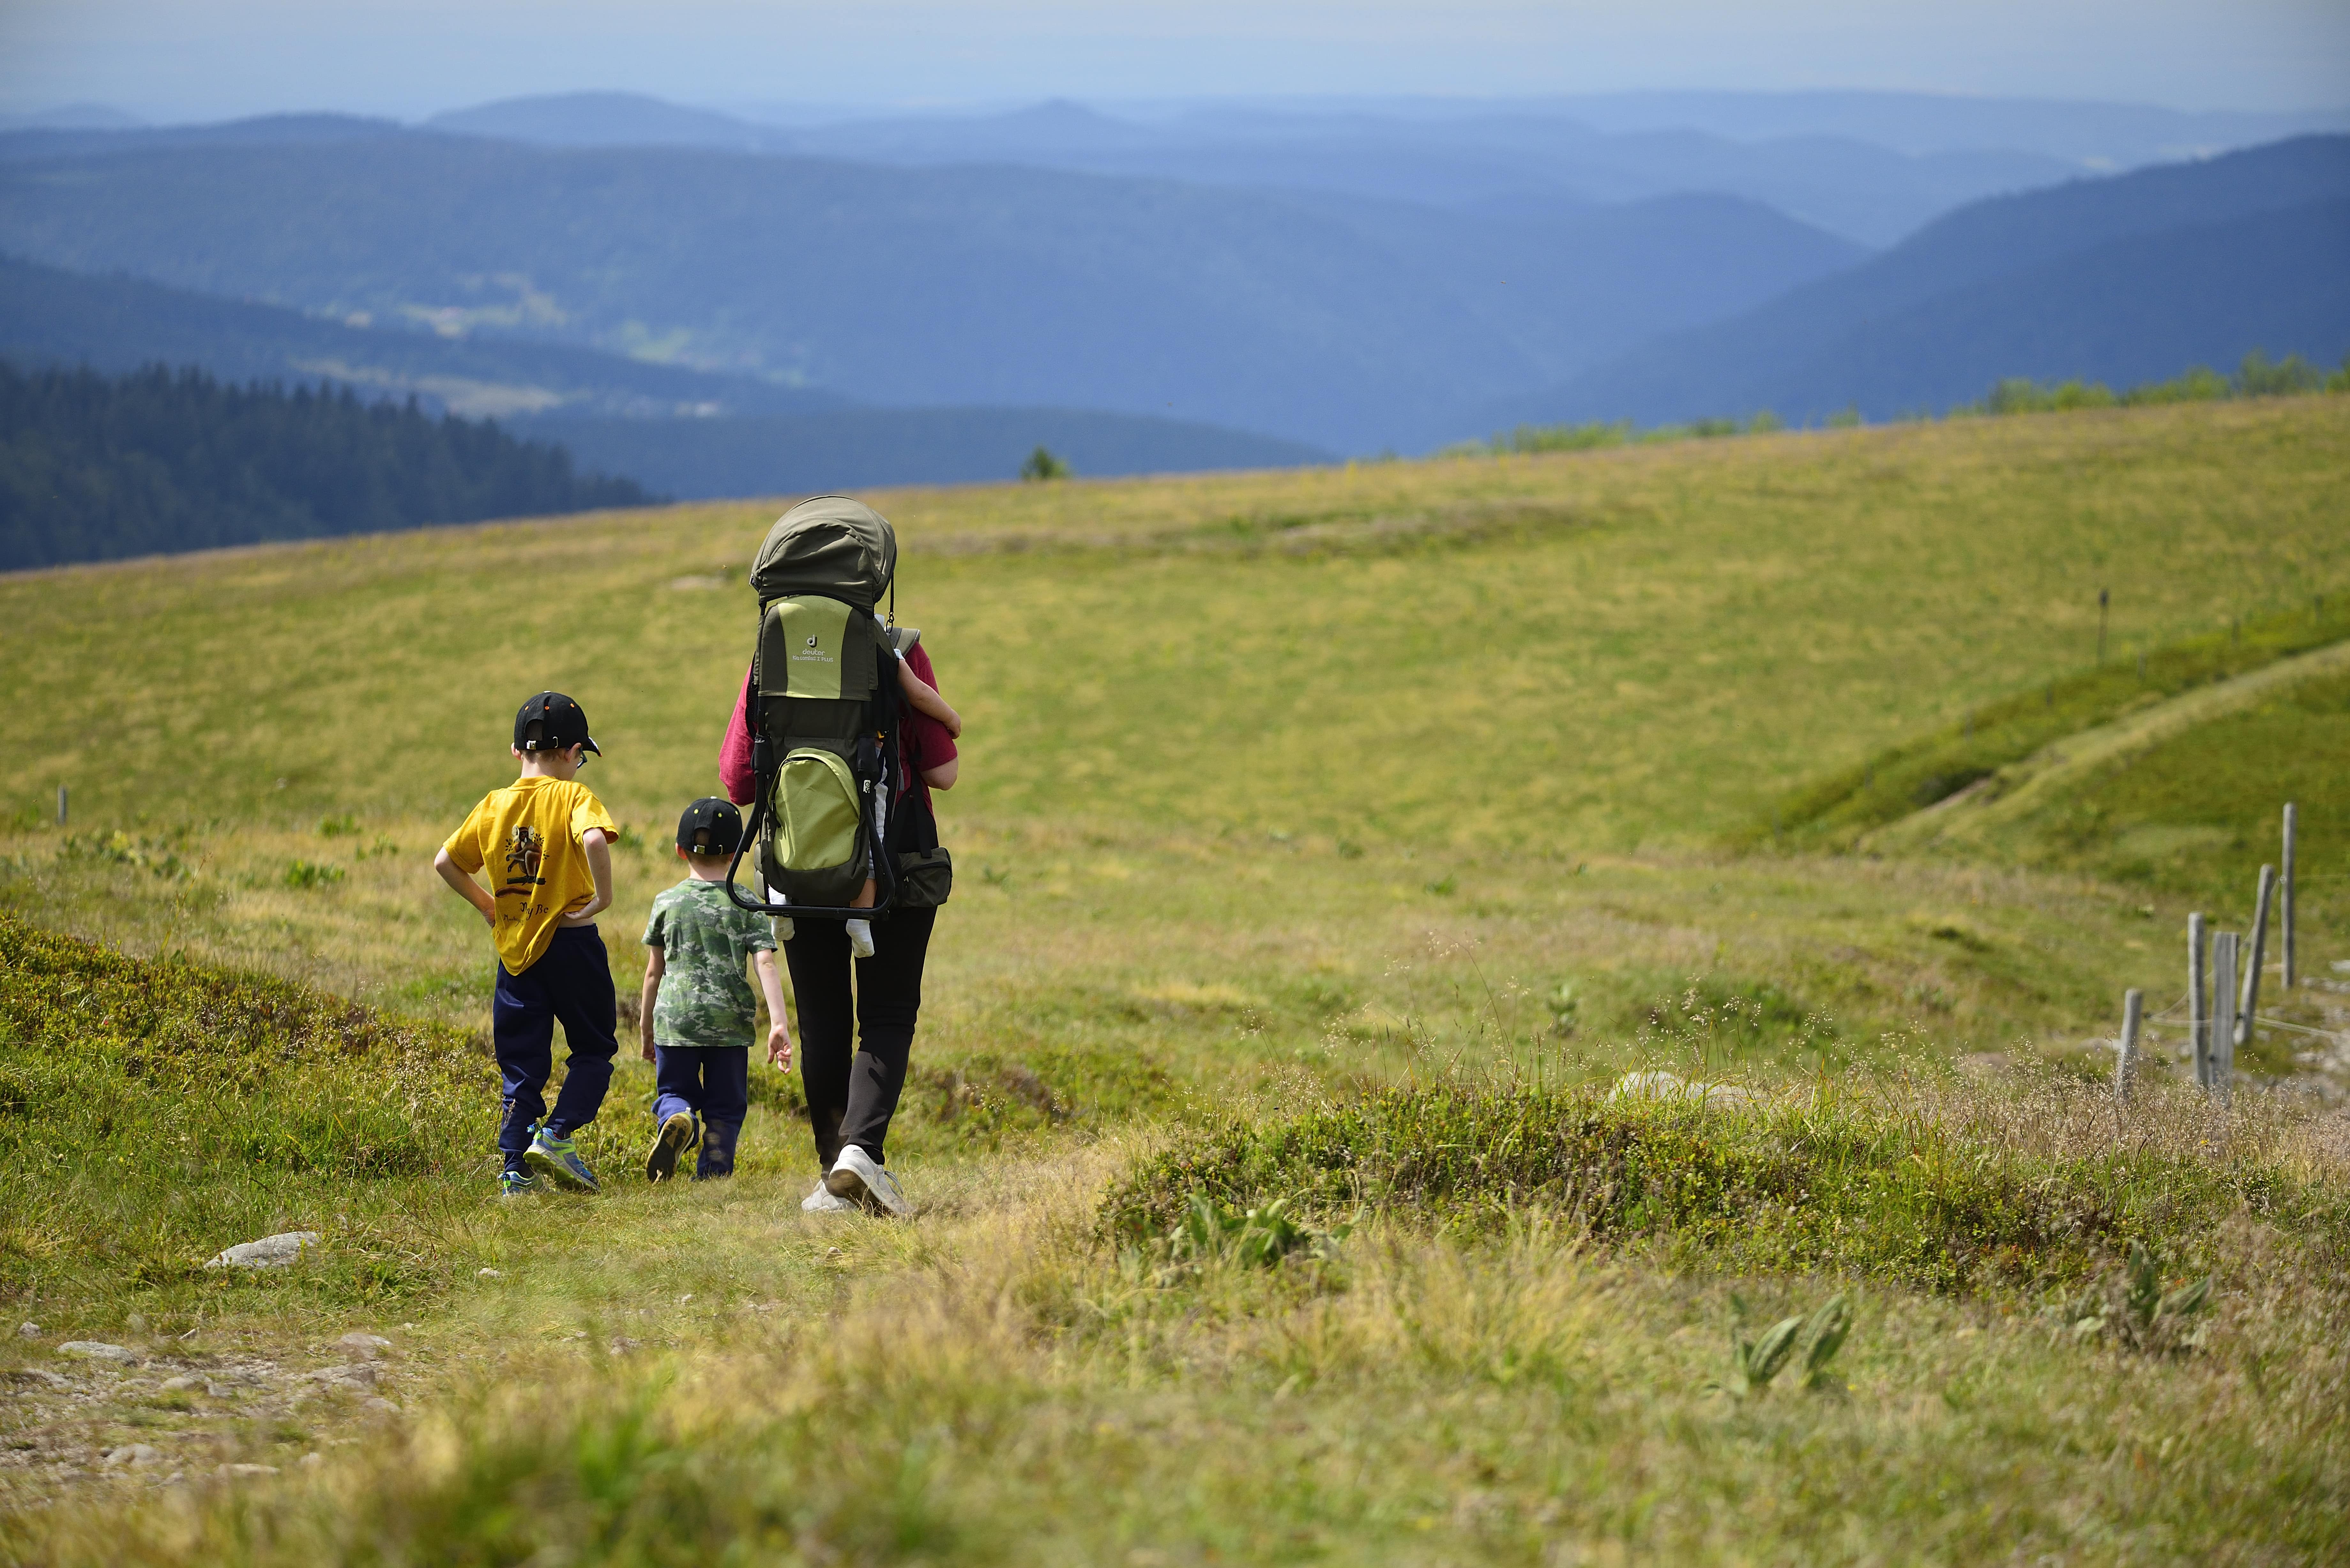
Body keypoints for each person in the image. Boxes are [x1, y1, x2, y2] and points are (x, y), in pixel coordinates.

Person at [721, 631, 960, 1217]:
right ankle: (860, 1154)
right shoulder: (898, 647)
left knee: (823, 1022)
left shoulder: (772, 653)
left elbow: (738, 779)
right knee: (886, 1014)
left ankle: (834, 1171)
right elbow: (945, 770)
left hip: (798, 865)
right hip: (895, 860)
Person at [434, 691, 620, 1196]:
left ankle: (514, 1169)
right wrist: (602, 900)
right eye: (580, 758)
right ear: (571, 751)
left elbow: (445, 862)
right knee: (595, 1047)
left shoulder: (494, 805)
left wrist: (488, 906)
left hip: (515, 953)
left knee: (521, 1062)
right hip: (573, 946)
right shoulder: (574, 797)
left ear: (518, 752)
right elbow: (596, 840)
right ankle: (557, 1136)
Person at [637, 797, 793, 1182]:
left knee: (674, 1089)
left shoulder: (666, 901)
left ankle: (680, 1116)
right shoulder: (745, 904)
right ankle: (714, 1173)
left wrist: (646, 1029)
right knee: (725, 1108)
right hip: (728, 1024)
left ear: (679, 850)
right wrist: (778, 1023)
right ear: (736, 853)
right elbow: (766, 963)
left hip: (675, 1019)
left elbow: (653, 973)